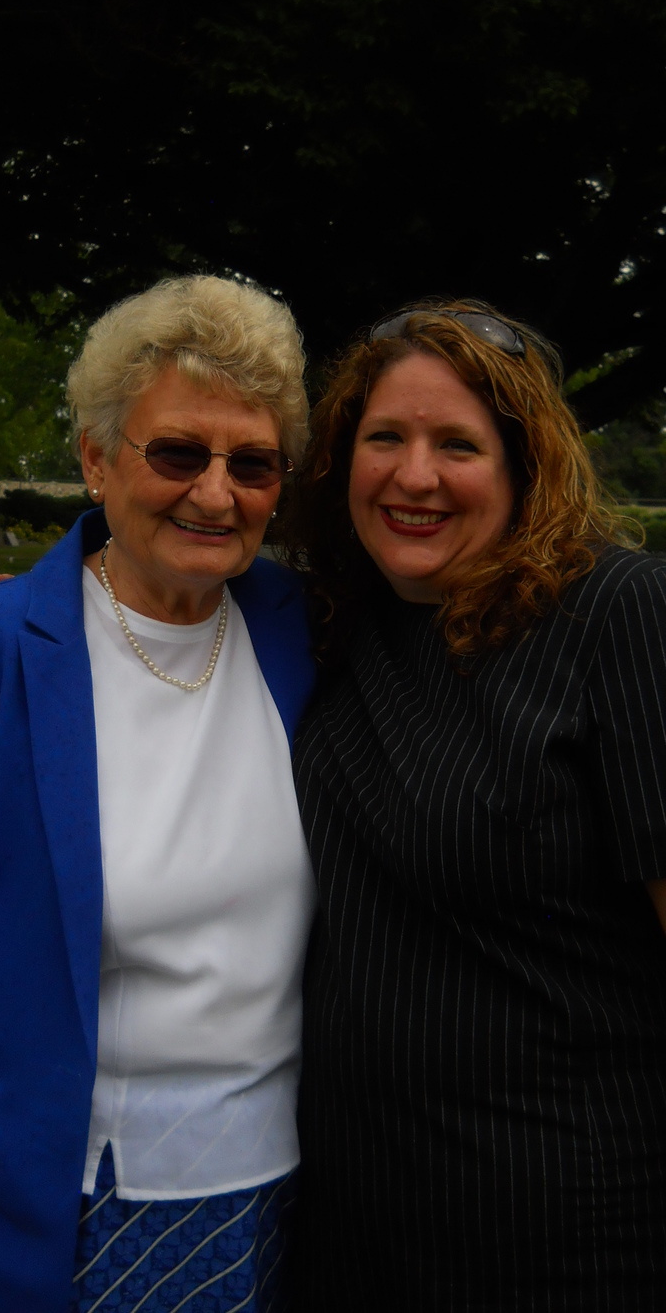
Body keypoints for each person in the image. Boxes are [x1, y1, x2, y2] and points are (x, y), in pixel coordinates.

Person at [0, 275, 317, 1313]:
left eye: (251, 464)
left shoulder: (302, 629)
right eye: (175, 453)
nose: (215, 493)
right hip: (77, 1215)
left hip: (295, 1201)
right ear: (93, 459)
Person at [287, 300, 666, 1311]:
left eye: (456, 444)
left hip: (566, 1240)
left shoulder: (613, 615)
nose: (413, 476)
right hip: (347, 1239)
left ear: (521, 464)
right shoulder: (334, 620)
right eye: (384, 438)